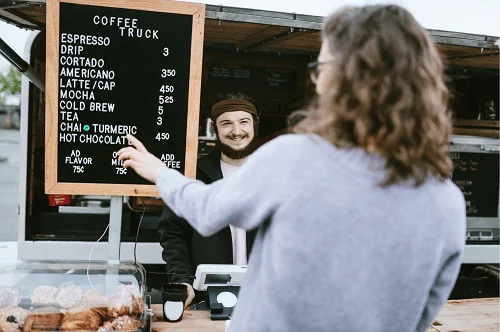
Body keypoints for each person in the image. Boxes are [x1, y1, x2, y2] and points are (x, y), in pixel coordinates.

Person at [118, 5, 466, 331]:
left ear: (345, 78)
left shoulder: (295, 160)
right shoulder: (447, 201)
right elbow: (420, 316)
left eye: (322, 68)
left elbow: (207, 210)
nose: (316, 81)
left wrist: (160, 171)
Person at [158, 95, 259, 307]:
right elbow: (173, 233)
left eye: (243, 122)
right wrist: (182, 280)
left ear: (254, 124)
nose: (237, 131)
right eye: (226, 123)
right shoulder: (193, 175)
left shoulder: (275, 173)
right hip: (208, 298)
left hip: (264, 294)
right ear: (214, 128)